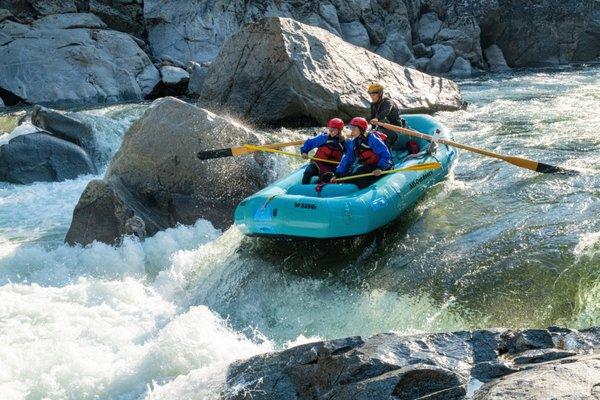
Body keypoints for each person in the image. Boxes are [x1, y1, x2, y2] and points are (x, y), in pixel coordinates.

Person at [331, 117, 393, 189]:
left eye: (354, 129)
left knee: (360, 172)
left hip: (382, 166)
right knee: (348, 177)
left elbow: (385, 155)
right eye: (351, 128)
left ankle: (362, 192)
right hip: (369, 166)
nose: (351, 131)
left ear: (361, 129)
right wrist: (338, 174)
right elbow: (348, 159)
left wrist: (380, 168)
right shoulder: (354, 142)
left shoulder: (372, 139)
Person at [368, 83, 417, 153]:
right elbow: (372, 117)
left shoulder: (388, 102)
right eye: (370, 95)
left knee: (386, 139)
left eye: (374, 95)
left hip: (395, 128)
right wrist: (372, 129)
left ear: (380, 94)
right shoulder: (373, 104)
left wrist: (377, 118)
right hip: (382, 127)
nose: (372, 97)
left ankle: (388, 160)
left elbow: (385, 112)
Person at [300, 118, 346, 184]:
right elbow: (310, 142)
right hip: (318, 163)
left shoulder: (344, 143)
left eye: (334, 129)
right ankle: (303, 187)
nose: (331, 131)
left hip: (331, 168)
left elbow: (348, 156)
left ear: (339, 130)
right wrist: (304, 152)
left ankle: (317, 184)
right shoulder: (324, 137)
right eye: (330, 129)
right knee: (308, 171)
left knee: (325, 180)